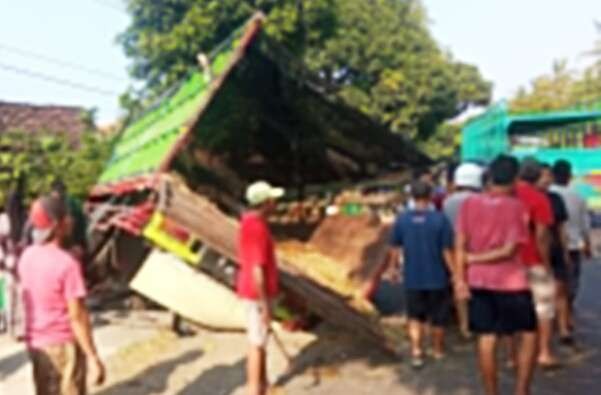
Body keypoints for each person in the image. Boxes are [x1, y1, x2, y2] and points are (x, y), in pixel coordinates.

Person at [455, 154, 537, 395]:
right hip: (511, 282)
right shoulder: (516, 207)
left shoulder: (469, 204)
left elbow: (459, 242)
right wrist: (474, 259)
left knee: (486, 337)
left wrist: (461, 278)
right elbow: (509, 250)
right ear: (515, 179)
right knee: (529, 333)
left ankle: (491, 391)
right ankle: (522, 390)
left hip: (478, 280)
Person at [18, 195, 105, 395]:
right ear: (58, 224)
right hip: (64, 345)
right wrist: (93, 357)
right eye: (67, 216)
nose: (71, 220)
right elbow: (77, 317)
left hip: (37, 344)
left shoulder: (27, 257)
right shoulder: (67, 265)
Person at [389, 180, 454, 369]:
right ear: (431, 195)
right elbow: (446, 251)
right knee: (438, 316)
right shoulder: (440, 219)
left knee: (415, 316)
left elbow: (395, 248)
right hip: (437, 276)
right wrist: (455, 274)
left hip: (413, 277)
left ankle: (417, 350)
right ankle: (437, 349)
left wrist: (393, 269)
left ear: (412, 196)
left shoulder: (402, 219)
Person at [237, 181, 283, 395]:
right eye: (273, 200)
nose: (276, 203)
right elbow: (257, 269)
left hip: (256, 293)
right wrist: (265, 304)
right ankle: (254, 389)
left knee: (261, 340)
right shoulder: (256, 228)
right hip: (256, 294)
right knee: (256, 343)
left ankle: (262, 385)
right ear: (265, 203)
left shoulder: (252, 223)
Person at [515, 158, 559, 369]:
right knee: (544, 309)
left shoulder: (506, 195)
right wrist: (547, 263)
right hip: (533, 260)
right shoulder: (540, 199)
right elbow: (542, 235)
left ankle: (512, 356)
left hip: (509, 263)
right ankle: (543, 352)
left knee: (512, 308)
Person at [443, 162, 484, 338]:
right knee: (478, 286)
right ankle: (480, 321)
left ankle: (464, 325)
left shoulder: (448, 201)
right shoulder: (480, 200)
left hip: (453, 248)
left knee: (459, 283)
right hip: (476, 248)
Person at [551, 159, 592, 334]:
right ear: (570, 176)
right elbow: (585, 224)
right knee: (570, 283)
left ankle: (556, 317)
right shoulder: (578, 196)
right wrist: (587, 245)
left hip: (551, 245)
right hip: (573, 245)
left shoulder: (548, 194)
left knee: (553, 282)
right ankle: (566, 317)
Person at [537, 164, 572, 345]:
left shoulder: (556, 199)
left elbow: (560, 228)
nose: (547, 179)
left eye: (549, 176)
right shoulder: (530, 199)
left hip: (555, 249)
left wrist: (565, 251)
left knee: (560, 290)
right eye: (543, 176)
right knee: (542, 293)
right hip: (536, 251)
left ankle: (564, 328)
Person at [50, 180, 88, 265]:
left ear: (58, 192)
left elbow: (70, 222)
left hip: (77, 235)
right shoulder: (62, 200)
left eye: (54, 193)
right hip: (77, 233)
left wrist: (68, 244)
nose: (52, 195)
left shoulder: (68, 202)